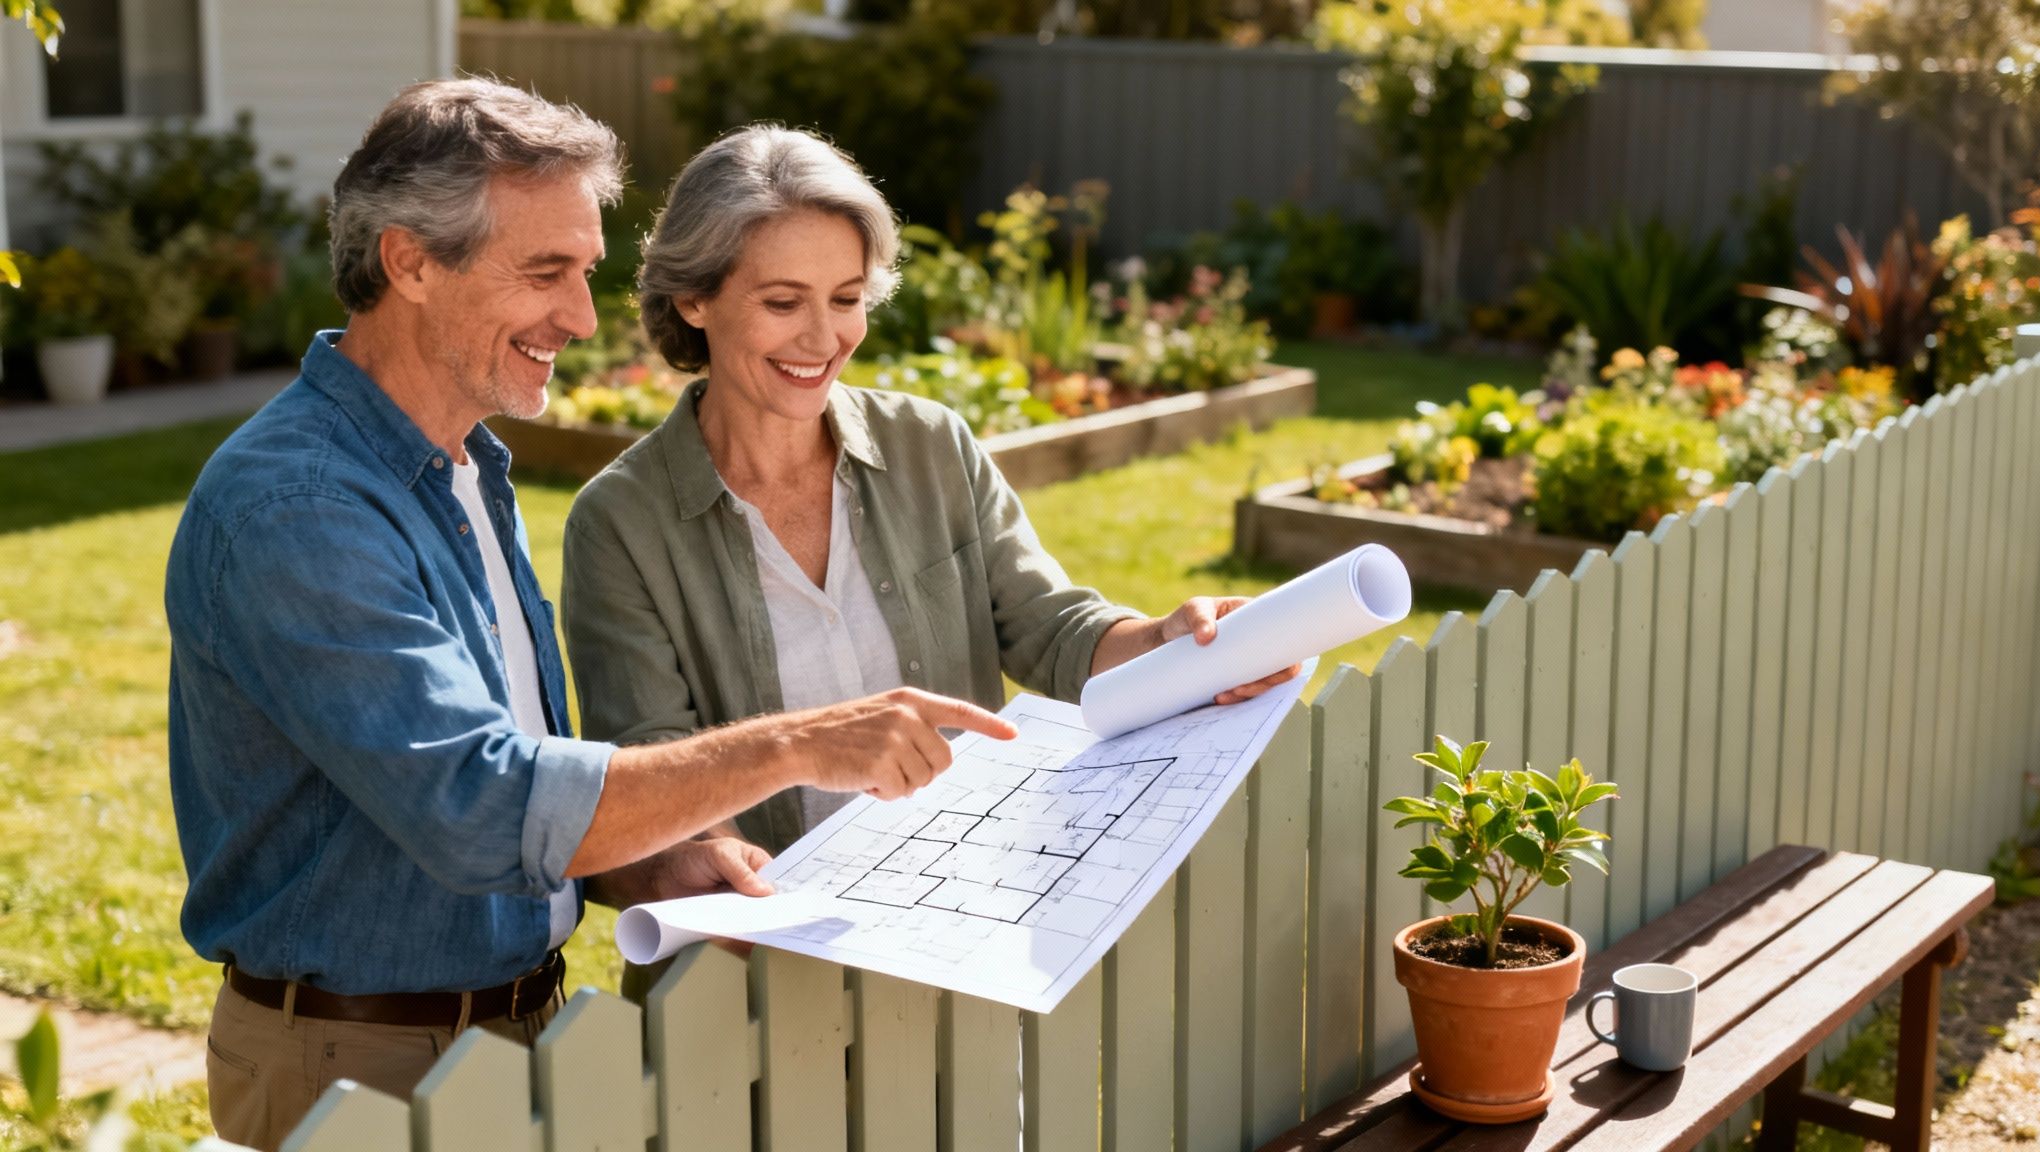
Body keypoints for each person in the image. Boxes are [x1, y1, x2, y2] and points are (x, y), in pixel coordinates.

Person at [164, 82, 1014, 1151]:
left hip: (516, 1034)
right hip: (359, 1068)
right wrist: (799, 745)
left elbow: (525, 798)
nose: (579, 316)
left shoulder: (463, 471)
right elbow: (477, 804)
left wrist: (648, 867)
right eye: (545, 273)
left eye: (585, 272)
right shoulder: (301, 507)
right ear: (410, 262)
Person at [560, 125, 1296, 996]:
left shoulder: (929, 446)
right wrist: (704, 858)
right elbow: (653, 764)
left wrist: (1170, 640)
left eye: (846, 297)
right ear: (694, 299)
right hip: (755, 978)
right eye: (783, 301)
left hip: (958, 945)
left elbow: (1050, 629)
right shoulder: (621, 521)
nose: (823, 337)